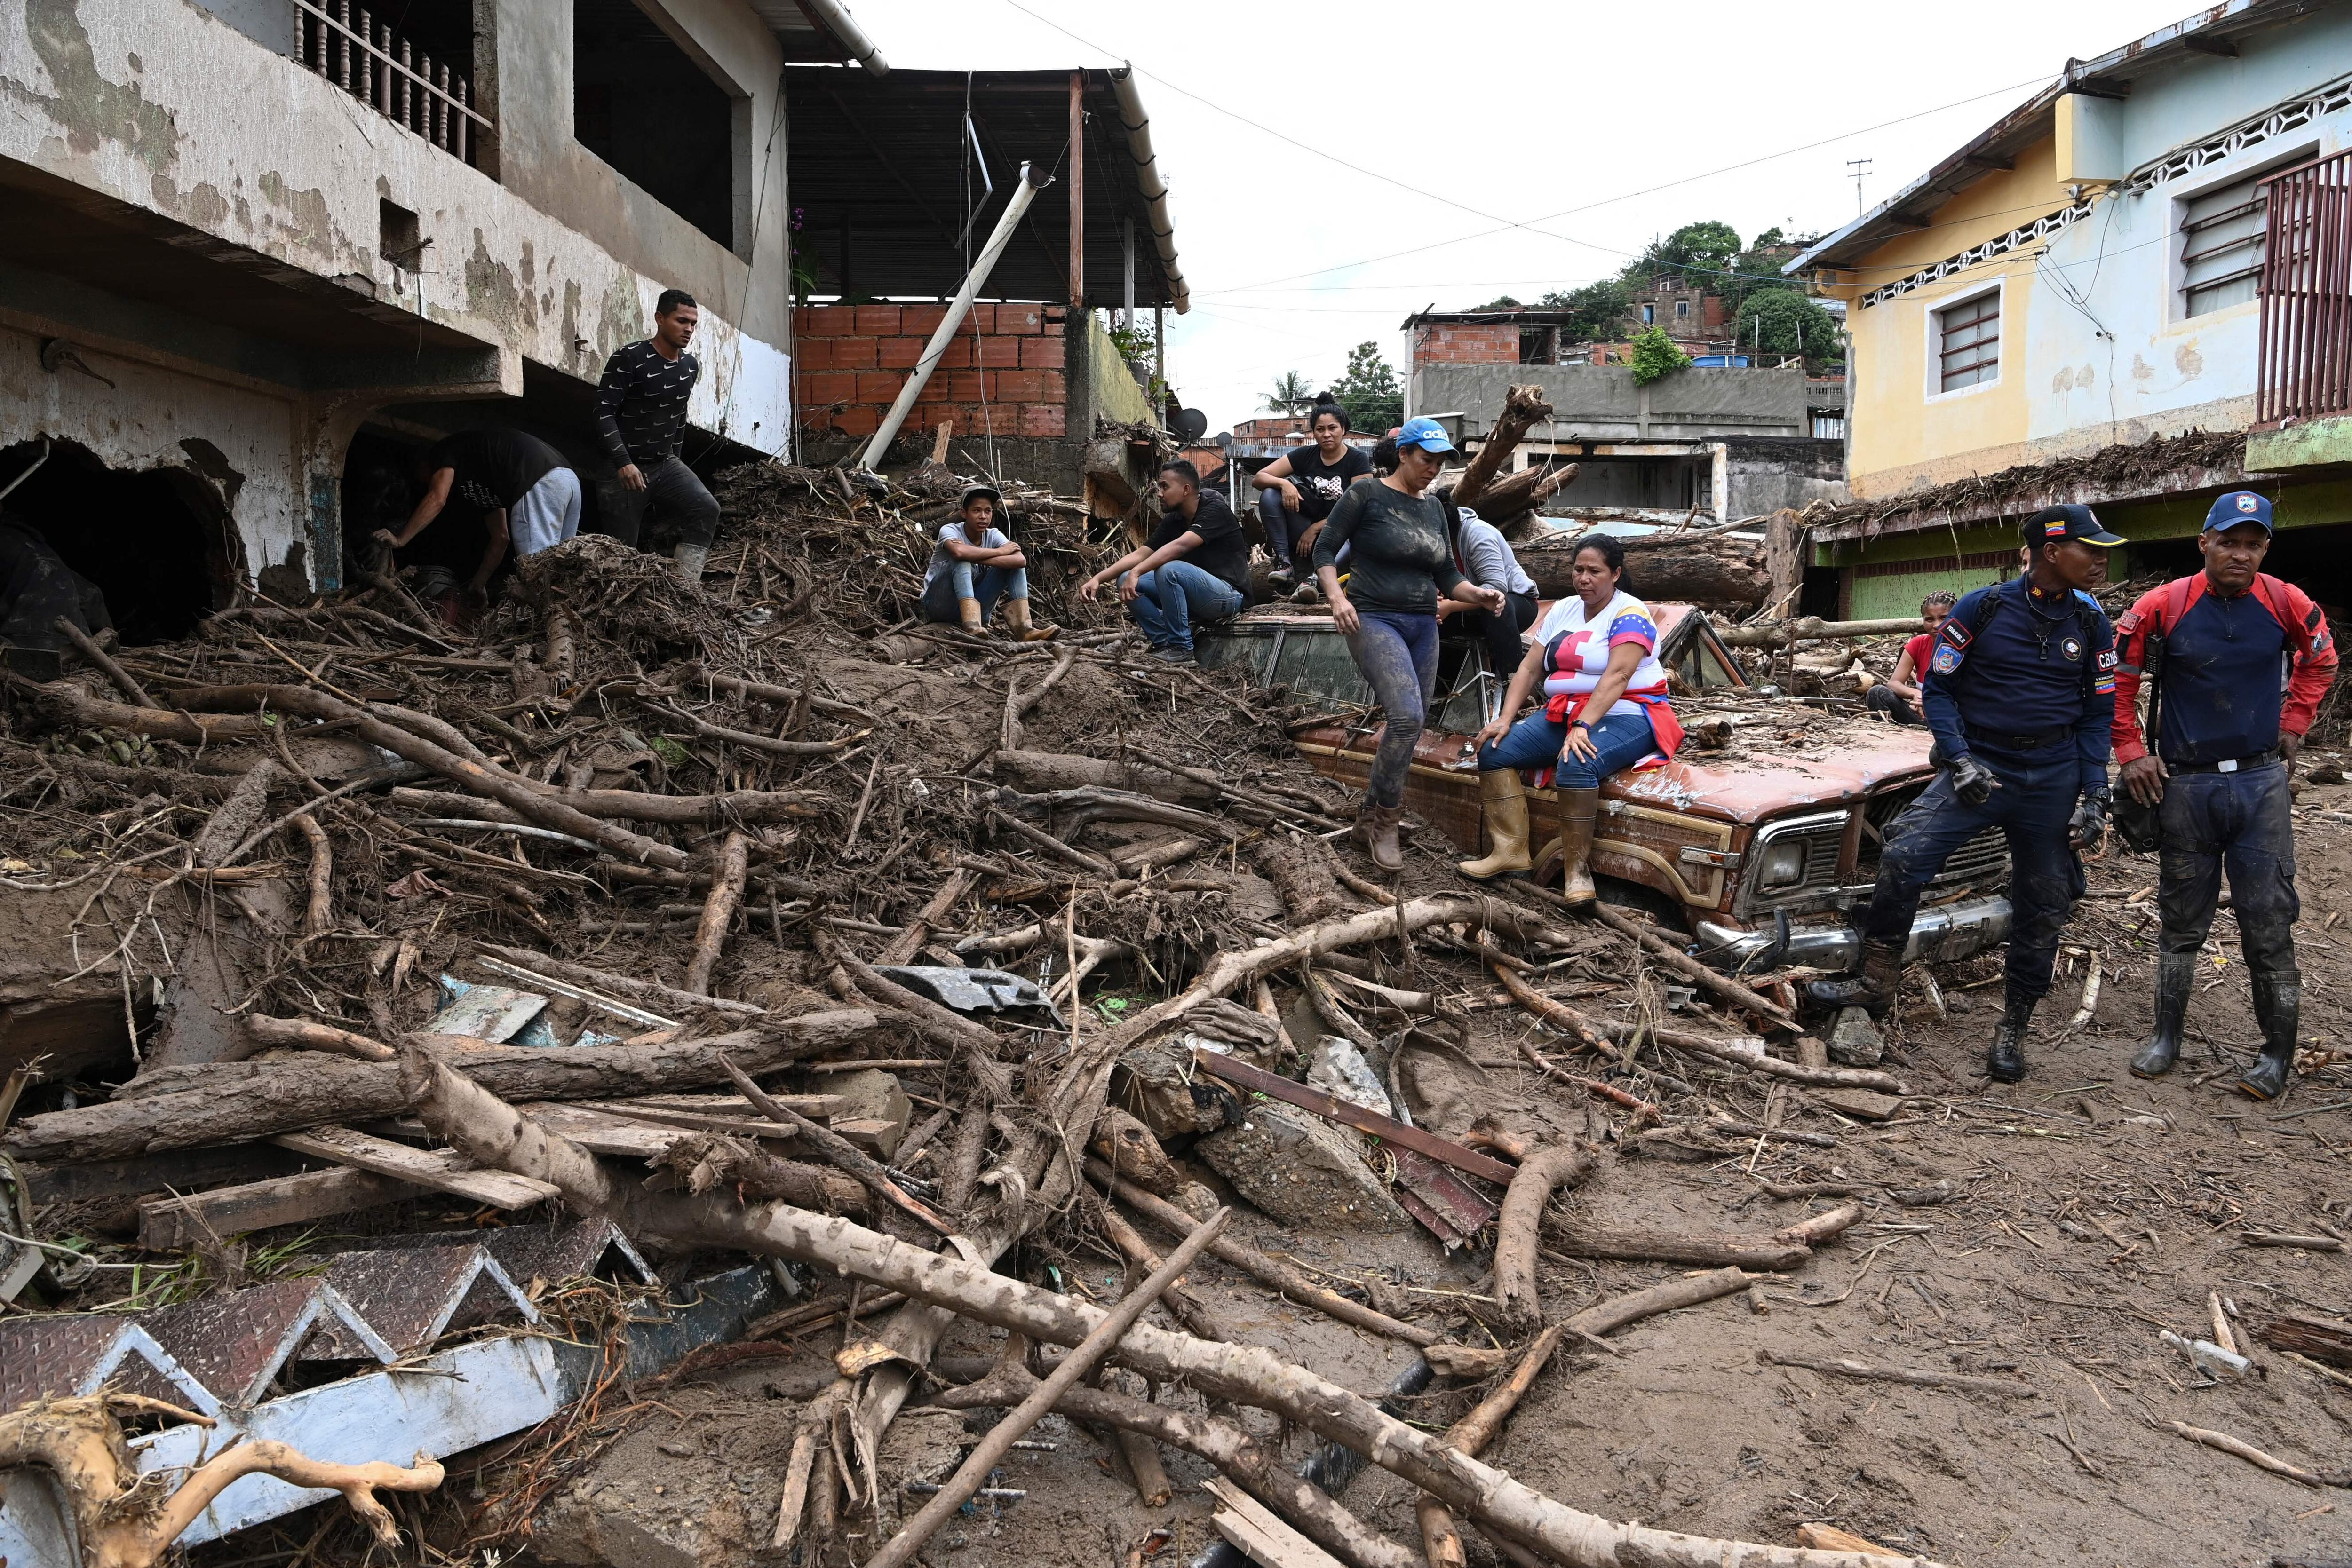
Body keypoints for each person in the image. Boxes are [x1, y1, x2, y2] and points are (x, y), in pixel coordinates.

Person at [1809, 504, 2125, 1084]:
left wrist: (2094, 793)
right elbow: (1940, 690)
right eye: (2091, 548)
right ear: (2052, 552)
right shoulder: (1982, 607)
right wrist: (1958, 758)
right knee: (1904, 855)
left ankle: (2013, 1026)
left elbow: (2097, 714)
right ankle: (1876, 981)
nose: (2102, 558)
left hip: (2051, 776)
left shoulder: (2090, 623)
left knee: (2043, 901)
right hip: (1985, 765)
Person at [2112, 491, 2336, 1096]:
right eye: (2228, 542)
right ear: (2203, 543)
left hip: (2261, 787)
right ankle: (2165, 1037)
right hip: (2185, 785)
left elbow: (2321, 661)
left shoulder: (2286, 601)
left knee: (2268, 926)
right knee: (2180, 922)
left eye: (2253, 544)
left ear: (2265, 547)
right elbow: (2117, 683)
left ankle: (2275, 1053)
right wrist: (2132, 752)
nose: (2240, 554)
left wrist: (2294, 723)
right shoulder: (2161, 605)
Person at [1312, 416, 1504, 871]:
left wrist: (1475, 594)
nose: (1433, 469)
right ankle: (1385, 822)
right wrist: (1336, 598)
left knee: (1412, 725)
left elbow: (1446, 576)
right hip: (1372, 618)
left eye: (1440, 462)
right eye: (1426, 460)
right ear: (1403, 454)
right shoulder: (1365, 495)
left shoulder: (1434, 509)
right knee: (1406, 715)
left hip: (1423, 623)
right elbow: (1323, 551)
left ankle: (1368, 817)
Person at [1459, 533, 1681, 895]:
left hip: (1630, 713)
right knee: (1494, 749)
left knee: (1576, 762)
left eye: (1595, 571)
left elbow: (1619, 676)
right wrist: (1504, 717)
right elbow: (1529, 668)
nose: (1584, 578)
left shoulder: (1631, 613)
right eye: (1579, 569)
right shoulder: (1563, 609)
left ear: (1615, 574)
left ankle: (1577, 871)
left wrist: (1582, 725)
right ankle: (1510, 853)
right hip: (1566, 714)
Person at [373, 428, 579, 602]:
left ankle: (546, 636)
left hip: (540, 479)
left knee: (537, 571)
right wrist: (479, 585)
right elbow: (501, 538)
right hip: (568, 482)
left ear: (423, 466)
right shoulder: (481, 482)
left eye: (423, 480)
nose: (427, 484)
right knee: (560, 569)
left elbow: (437, 498)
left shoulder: (443, 452)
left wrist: (400, 539)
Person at [596, 289, 719, 581]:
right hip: (621, 469)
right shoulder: (630, 358)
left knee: (706, 508)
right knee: (622, 555)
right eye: (681, 321)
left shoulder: (689, 366)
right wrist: (623, 463)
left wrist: (675, 462)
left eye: (693, 324)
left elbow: (679, 416)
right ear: (660, 319)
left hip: (664, 464)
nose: (689, 329)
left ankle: (685, 589)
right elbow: (603, 413)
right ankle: (622, 612)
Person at [1078, 459, 1252, 664]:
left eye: (1165, 487)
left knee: (1169, 570)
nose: (1159, 493)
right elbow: (1142, 554)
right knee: (1125, 578)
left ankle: (1182, 648)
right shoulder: (1175, 519)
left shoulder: (1215, 510)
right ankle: (1164, 643)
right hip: (1197, 597)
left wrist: (1137, 572)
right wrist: (1098, 578)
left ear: (1186, 489)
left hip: (1228, 597)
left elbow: (1180, 547)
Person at [1251, 400, 1371, 589]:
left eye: (1333, 428)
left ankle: (1317, 577)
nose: (1327, 434)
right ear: (1314, 433)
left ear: (1344, 429)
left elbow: (1358, 507)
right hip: (1303, 529)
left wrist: (1316, 528)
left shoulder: (1358, 460)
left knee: (1359, 527)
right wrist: (1284, 484)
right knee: (1270, 495)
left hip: (1340, 532)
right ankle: (1285, 563)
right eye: (1320, 429)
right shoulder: (1305, 455)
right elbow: (1259, 478)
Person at [919, 483, 1054, 641]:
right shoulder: (950, 530)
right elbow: (959, 552)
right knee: (962, 561)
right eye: (976, 511)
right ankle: (971, 626)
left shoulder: (994, 535)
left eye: (988, 511)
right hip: (939, 605)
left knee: (1015, 567)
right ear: (964, 513)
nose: (983, 516)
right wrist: (1000, 553)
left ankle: (1024, 629)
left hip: (979, 609)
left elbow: (1020, 560)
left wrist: (980, 556)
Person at [1439, 504, 1541, 681]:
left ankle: (1513, 681)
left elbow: (1495, 588)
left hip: (1517, 603)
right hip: (1467, 609)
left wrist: (1450, 606)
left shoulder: (1479, 535)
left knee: (1498, 608)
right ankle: (1440, 684)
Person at [1865, 590, 1957, 726]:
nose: (1937, 625)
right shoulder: (1917, 645)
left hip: (1956, 721)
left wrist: (1931, 700)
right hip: (1923, 720)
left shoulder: (1966, 647)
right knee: (1877, 693)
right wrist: (1916, 694)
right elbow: (1894, 683)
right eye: (1930, 619)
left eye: (1944, 618)